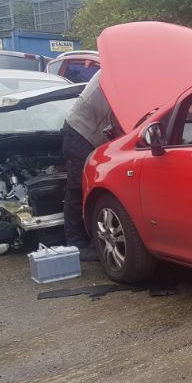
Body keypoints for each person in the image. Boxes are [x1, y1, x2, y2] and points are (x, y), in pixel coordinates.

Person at [61, 71, 117, 262]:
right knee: (78, 189)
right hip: (81, 134)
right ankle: (76, 243)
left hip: (98, 137)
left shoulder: (125, 68)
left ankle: (93, 238)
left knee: (95, 189)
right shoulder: (115, 71)